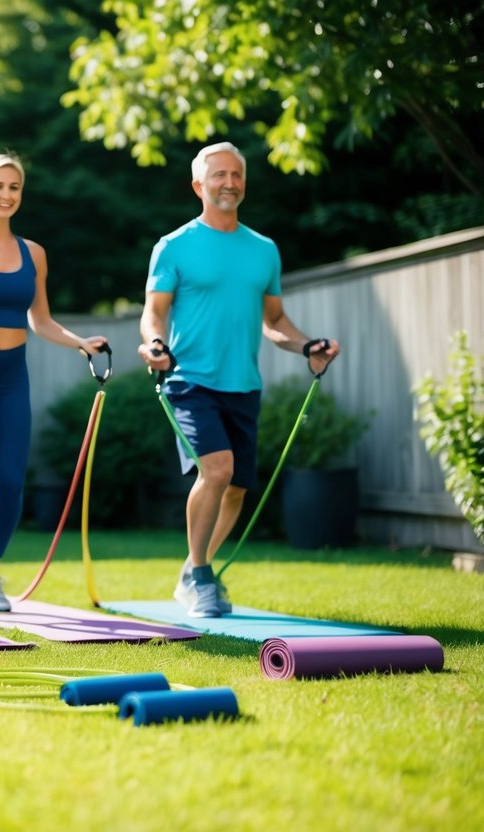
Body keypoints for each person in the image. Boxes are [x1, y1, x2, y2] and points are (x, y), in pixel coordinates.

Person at [138, 140, 340, 618]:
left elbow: (274, 321)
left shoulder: (264, 250)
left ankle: (192, 569)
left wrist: (308, 345)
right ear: (197, 185)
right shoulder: (174, 246)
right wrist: (154, 344)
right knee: (218, 469)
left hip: (243, 384)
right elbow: (153, 314)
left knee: (235, 489)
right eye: (219, 175)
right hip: (189, 380)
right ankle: (203, 578)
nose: (229, 183)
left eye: (236, 175)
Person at [0, 153, 108, 615]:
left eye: (14, 187)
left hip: (12, 376)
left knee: (11, 481)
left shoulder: (35, 254)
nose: (6, 195)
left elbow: (41, 320)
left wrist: (80, 342)